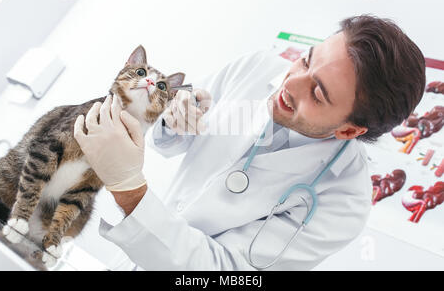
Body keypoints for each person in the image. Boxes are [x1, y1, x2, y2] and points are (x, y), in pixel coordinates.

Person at [74, 15, 426, 270]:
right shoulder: (257, 68)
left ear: (349, 131)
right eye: (306, 60)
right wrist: (176, 115)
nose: (290, 84)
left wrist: (129, 190)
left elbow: (225, 274)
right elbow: (170, 142)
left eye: (317, 94)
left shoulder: (343, 202)